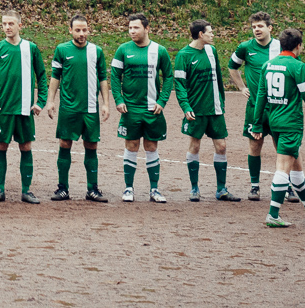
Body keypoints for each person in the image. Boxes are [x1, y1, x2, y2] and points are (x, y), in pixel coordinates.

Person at [256, 27, 305, 228]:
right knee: (283, 168)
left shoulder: (268, 65)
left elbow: (261, 96)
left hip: (274, 122)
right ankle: (273, 214)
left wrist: (257, 122)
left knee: (297, 166)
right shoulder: (298, 67)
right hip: (291, 124)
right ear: (298, 46)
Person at [0, 8, 46, 203]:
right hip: (3, 110)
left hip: (25, 109)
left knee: (26, 147)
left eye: (11, 23)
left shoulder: (31, 48)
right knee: (2, 146)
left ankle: (26, 191)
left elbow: (42, 76)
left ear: (20, 25)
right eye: (4, 24)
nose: (7, 27)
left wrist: (40, 101)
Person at [173, 19, 240, 202]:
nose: (213, 35)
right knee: (195, 145)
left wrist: (221, 101)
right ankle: (194, 188)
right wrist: (186, 107)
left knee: (222, 146)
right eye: (210, 32)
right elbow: (180, 85)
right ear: (201, 34)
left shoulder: (212, 51)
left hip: (215, 109)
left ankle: (221, 189)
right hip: (196, 110)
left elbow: (218, 77)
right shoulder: (183, 55)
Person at [111, 10, 173, 203]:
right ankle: (128, 188)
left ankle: (154, 189)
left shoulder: (160, 51)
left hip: (152, 109)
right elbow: (115, 76)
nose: (132, 31)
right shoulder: (123, 50)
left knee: (151, 146)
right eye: (130, 28)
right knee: (131, 146)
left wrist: (162, 101)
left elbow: (168, 77)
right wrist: (118, 99)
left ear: (147, 28)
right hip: (130, 110)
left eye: (136, 27)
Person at [50, 14, 112, 202]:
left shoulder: (96, 51)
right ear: (70, 30)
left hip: (90, 108)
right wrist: (51, 101)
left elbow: (103, 78)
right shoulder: (62, 50)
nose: (82, 33)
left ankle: (92, 189)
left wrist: (106, 103)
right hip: (68, 108)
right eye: (77, 30)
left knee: (91, 145)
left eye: (84, 30)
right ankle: (62, 188)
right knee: (64, 144)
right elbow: (55, 76)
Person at [227, 10, 283, 202]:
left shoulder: (280, 46)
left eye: (260, 26)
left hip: (277, 107)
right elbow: (232, 67)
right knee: (255, 145)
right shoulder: (245, 47)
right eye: (253, 27)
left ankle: (286, 186)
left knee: (280, 146)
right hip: (254, 106)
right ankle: (255, 186)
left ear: (270, 28)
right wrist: (241, 87)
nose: (256, 30)